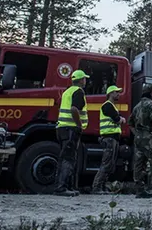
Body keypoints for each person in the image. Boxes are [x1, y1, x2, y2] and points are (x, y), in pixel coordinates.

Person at [54, 69, 89, 197]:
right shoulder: (78, 91)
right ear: (81, 80)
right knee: (69, 159)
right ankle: (61, 188)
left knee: (64, 158)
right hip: (71, 129)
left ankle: (64, 186)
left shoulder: (67, 91)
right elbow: (74, 109)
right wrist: (79, 125)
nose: (85, 80)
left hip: (62, 128)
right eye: (84, 78)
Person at [91, 85, 126, 194]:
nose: (118, 94)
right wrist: (120, 119)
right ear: (110, 93)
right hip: (109, 138)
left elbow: (119, 118)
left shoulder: (112, 106)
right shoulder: (107, 106)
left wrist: (121, 119)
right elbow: (117, 119)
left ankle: (101, 187)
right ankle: (96, 187)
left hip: (112, 138)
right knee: (106, 164)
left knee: (110, 165)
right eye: (116, 92)